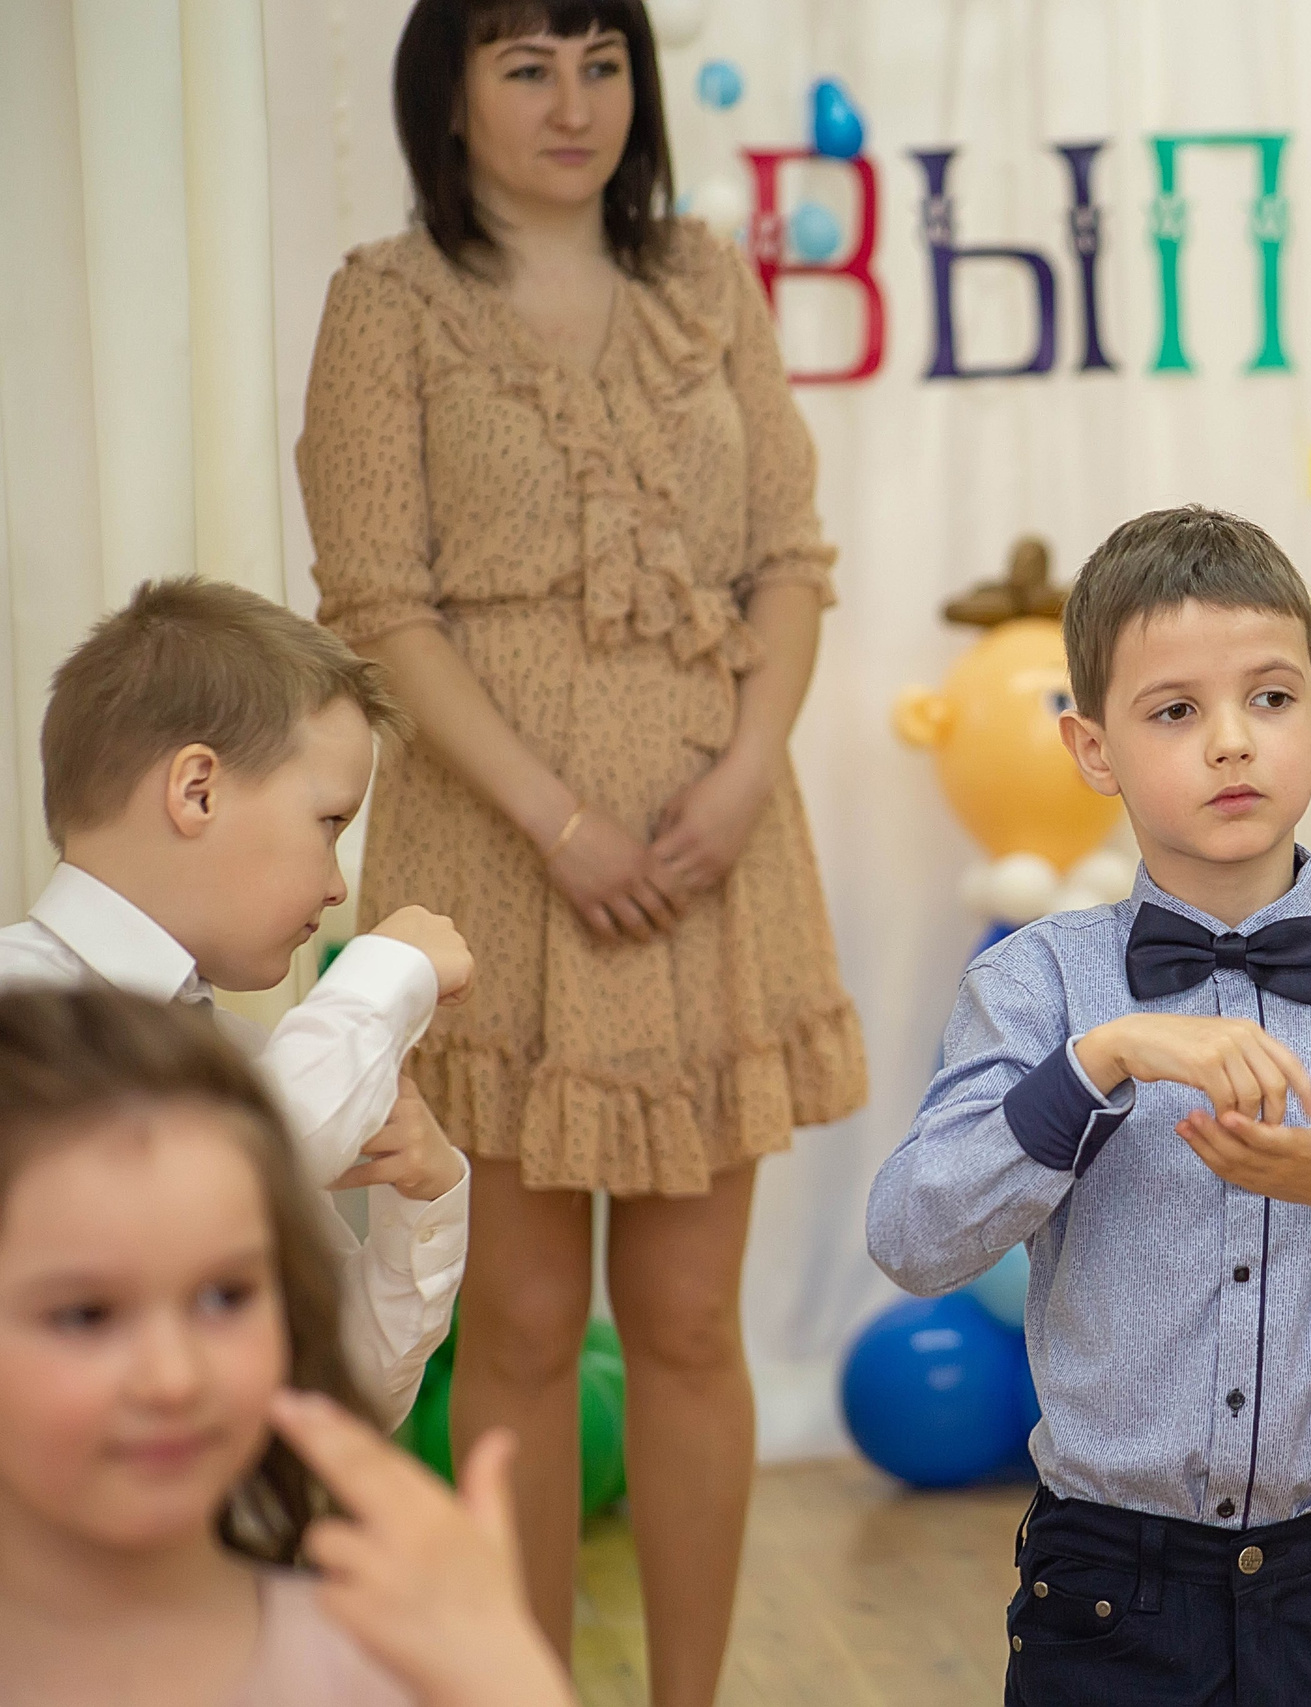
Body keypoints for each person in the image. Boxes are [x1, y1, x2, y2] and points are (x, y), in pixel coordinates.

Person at [297, 2, 868, 1691]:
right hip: (496, 861)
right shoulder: (386, 301)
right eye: (527, 65)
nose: (574, 101)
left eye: (602, 62)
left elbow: (790, 558)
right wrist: (555, 819)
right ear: (449, 95)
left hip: (713, 857)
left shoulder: (704, 278)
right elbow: (379, 605)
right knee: (527, 1322)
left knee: (689, 1321)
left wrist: (749, 769)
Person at [869, 506, 1311, 1707]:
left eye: (1270, 699)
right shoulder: (1032, 987)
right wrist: (1101, 1060)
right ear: (1092, 749)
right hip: (1102, 1594)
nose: (1232, 742)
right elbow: (913, 1238)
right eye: (1175, 711)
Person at [0, 985, 574, 1707]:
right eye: (86, 1315)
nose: (174, 1378)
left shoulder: (385, 1667)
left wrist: (506, 1680)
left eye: (225, 1297)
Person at [0, 578, 474, 1422]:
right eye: (329, 823)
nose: (336, 886)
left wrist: (420, 1204)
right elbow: (192, 1195)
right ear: (198, 792)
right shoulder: (18, 1008)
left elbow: (338, 1401)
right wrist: (384, 973)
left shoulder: (253, 1060)